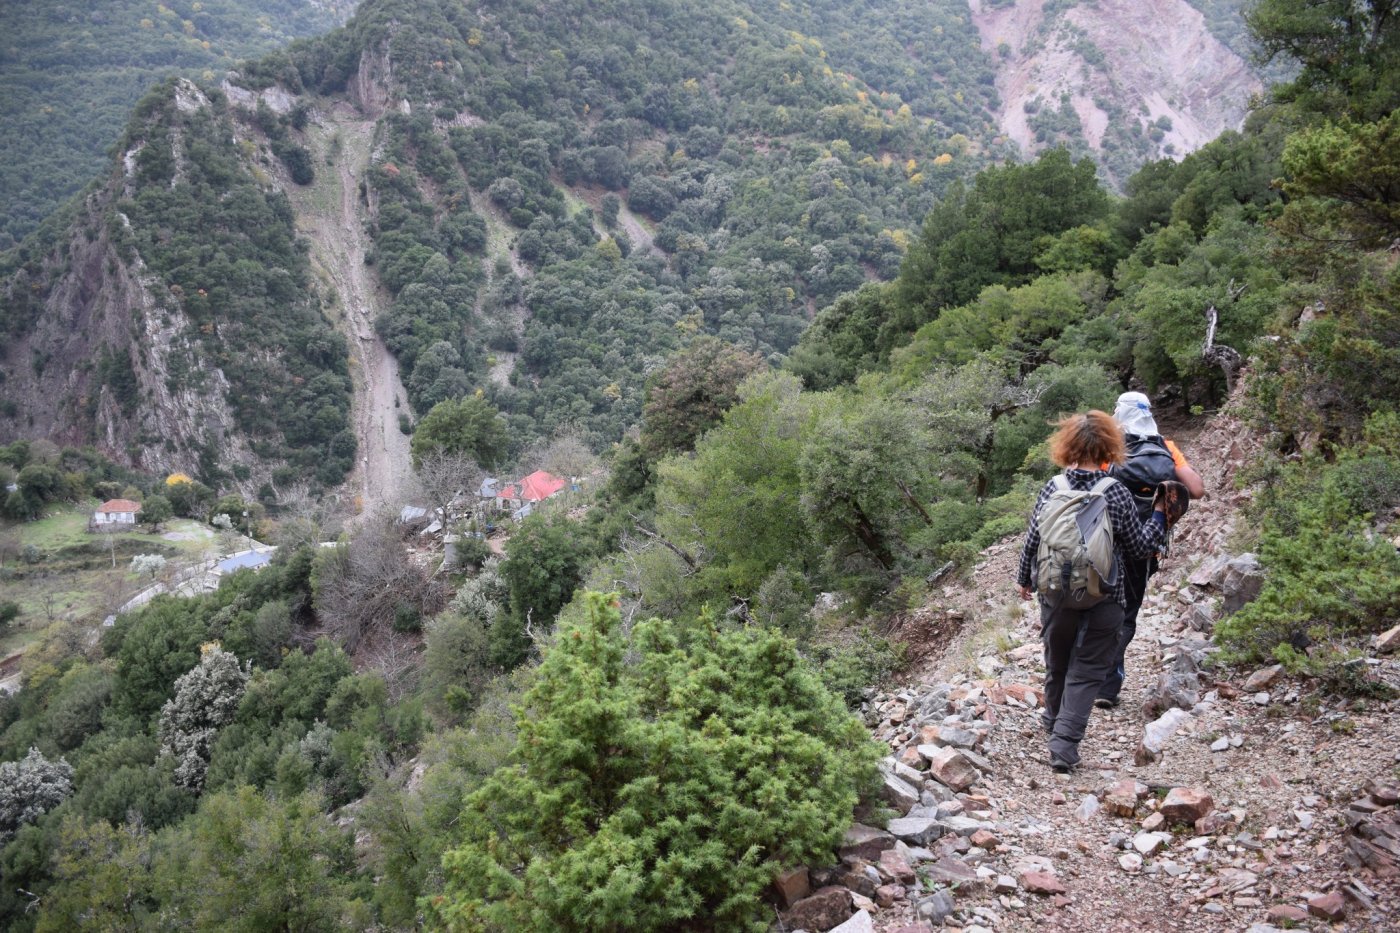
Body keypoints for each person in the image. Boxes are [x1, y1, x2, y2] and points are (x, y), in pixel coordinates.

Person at [1016, 411, 1170, 771]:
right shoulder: (1113, 491)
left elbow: (1033, 538)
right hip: (1105, 596)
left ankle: (1054, 722)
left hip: (1055, 593)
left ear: (1066, 445)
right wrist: (1160, 514)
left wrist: (1024, 578)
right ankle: (1064, 747)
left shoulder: (1053, 487)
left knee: (1057, 661)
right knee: (1086, 671)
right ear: (1109, 447)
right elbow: (1138, 546)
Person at [1094, 392, 1205, 709]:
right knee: (1126, 612)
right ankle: (1108, 685)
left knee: (1093, 605)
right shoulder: (1165, 448)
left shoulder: (1109, 447)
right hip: (1146, 546)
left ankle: (1083, 676)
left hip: (1103, 543)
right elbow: (1196, 489)